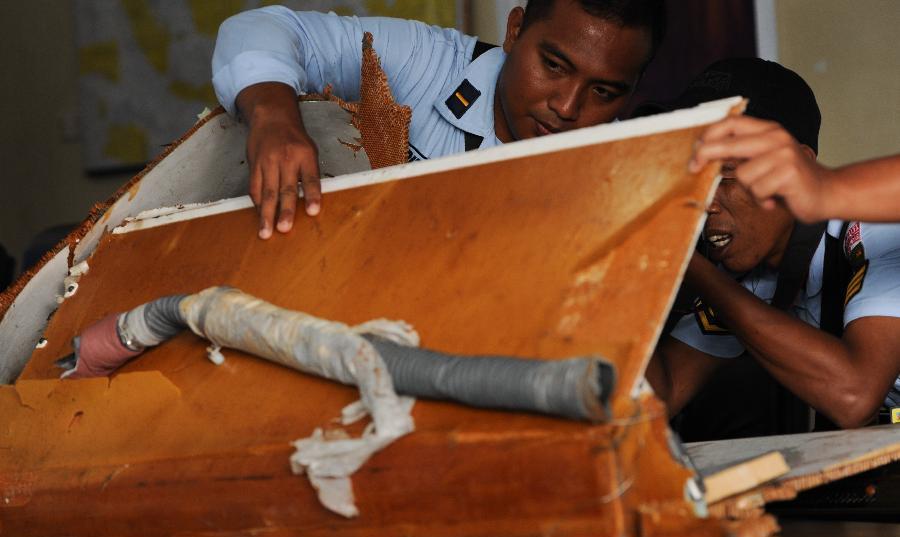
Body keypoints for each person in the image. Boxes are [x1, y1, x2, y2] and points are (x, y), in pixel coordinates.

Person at [212, 0, 665, 238]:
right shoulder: (426, 62)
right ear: (514, 31)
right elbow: (263, 28)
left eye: (604, 91)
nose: (567, 107)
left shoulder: (617, 183)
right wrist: (275, 117)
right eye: (553, 65)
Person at [641, 58, 900, 430]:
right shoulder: (754, 274)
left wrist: (690, 266)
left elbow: (853, 395)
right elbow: (659, 398)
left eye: (727, 171)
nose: (706, 201)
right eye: (692, 175)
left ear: (801, 167)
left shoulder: (876, 229)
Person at [690, 117, 900, 224]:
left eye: (726, 174)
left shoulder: (868, 232)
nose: (708, 205)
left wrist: (828, 191)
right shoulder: (749, 266)